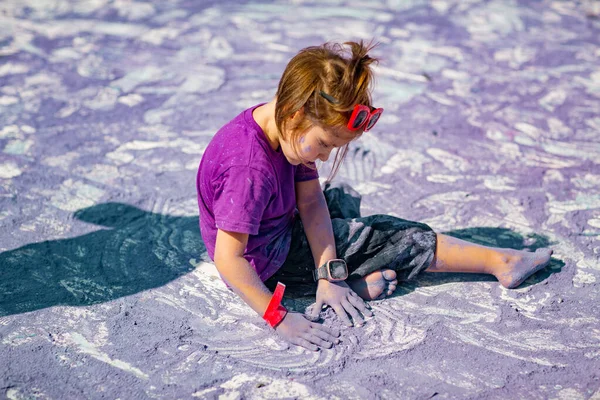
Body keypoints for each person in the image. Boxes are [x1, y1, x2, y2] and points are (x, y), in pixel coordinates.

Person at [196, 40, 553, 351]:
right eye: (323, 145)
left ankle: (337, 287)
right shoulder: (249, 169)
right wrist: (279, 317)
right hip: (268, 264)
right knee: (390, 236)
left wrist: (328, 275)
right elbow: (230, 260)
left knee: (341, 197)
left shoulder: (285, 126)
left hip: (277, 231)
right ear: (295, 112)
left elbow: (309, 201)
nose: (323, 156)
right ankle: (500, 263)